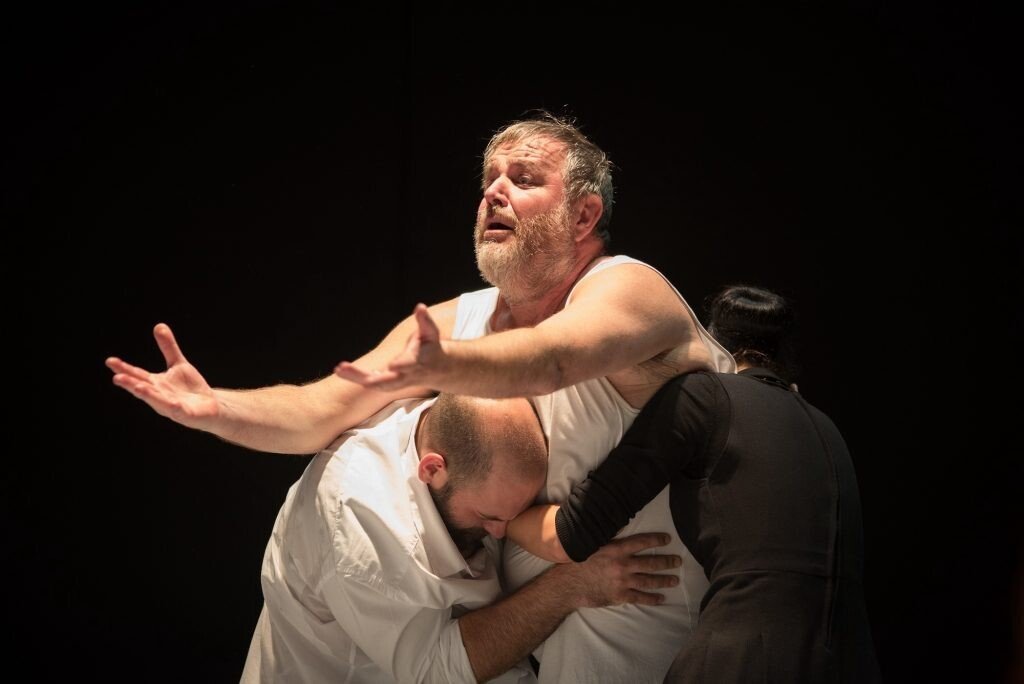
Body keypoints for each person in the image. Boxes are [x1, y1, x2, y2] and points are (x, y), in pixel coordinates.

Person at [107, 111, 736, 681]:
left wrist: (449, 363)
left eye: (523, 178)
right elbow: (320, 411)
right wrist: (216, 409)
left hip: (655, 628)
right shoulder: (458, 322)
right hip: (540, 643)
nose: (494, 192)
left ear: (583, 216)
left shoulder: (628, 288)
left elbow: (553, 358)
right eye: (489, 179)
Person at [506, 285, 883, 683]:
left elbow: (571, 534)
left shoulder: (704, 397)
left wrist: (500, 521)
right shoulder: (827, 426)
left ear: (710, 343)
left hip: (743, 660)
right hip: (853, 662)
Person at [243, 392, 681, 683]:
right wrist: (572, 585)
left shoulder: (451, 434)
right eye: (489, 517)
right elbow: (433, 671)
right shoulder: (360, 524)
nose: (502, 532)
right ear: (433, 469)